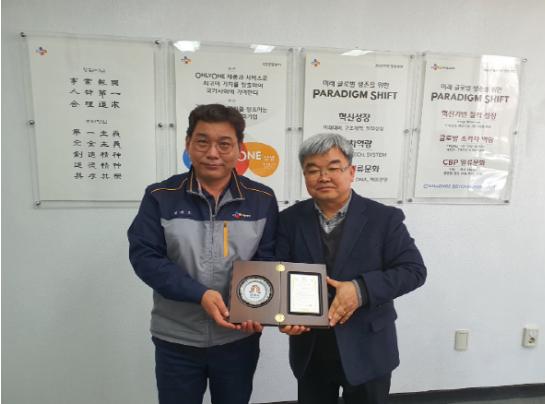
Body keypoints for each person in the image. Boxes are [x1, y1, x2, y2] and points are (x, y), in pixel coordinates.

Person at [128, 104, 278, 404]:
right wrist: (200, 294)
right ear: (188, 144)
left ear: (239, 149)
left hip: (237, 339)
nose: (212, 153)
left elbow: (268, 258)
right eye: (202, 141)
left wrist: (257, 308)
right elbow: (146, 257)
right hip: (176, 338)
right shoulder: (160, 196)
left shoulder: (261, 199)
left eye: (224, 144)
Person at [277, 133, 426, 404]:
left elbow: (413, 270)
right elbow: (278, 272)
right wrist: (282, 314)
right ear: (305, 175)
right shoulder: (289, 220)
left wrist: (360, 289)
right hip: (311, 347)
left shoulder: (384, 218)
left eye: (333, 168)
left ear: (352, 172)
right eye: (313, 170)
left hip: (368, 346)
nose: (323, 177)